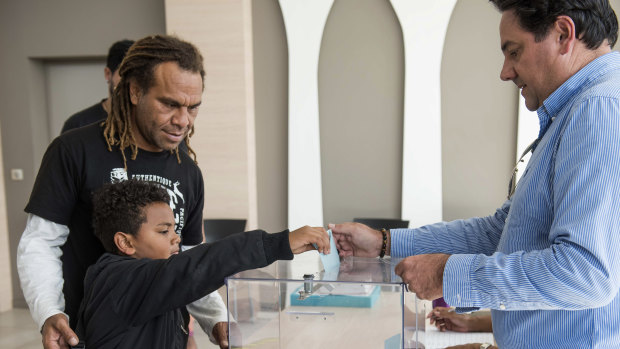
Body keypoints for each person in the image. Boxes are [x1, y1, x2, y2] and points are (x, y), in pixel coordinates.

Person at [331, 0, 620, 348]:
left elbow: (584, 274)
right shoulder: (578, 111)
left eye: (514, 52)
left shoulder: (599, 109)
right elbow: (502, 232)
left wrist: (446, 274)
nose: (505, 72)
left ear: (562, 34)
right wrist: (386, 243)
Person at [16, 35, 251, 349]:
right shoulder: (73, 150)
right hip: (92, 335)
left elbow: (190, 259)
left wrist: (215, 318)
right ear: (135, 91)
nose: (183, 120)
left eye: (193, 108)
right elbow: (40, 243)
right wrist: (49, 312)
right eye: (170, 104)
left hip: (167, 336)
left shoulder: (188, 170)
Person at [75, 179, 328, 348]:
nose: (176, 238)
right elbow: (196, 268)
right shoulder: (118, 280)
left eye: (175, 229)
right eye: (163, 231)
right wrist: (278, 244)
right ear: (126, 243)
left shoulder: (155, 279)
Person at [61, 39, 134, 134]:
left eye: (138, 76)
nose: (132, 82)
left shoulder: (147, 123)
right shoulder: (78, 124)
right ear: (108, 74)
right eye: (125, 74)